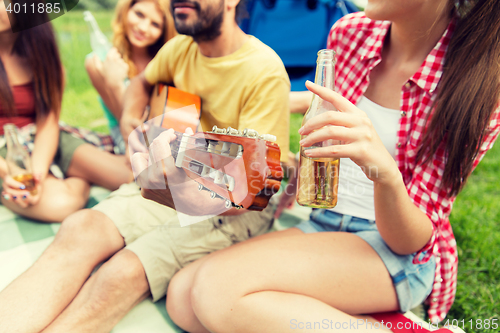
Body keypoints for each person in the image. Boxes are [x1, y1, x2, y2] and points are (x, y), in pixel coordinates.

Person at [164, 0, 500, 332]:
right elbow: (321, 106)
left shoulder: (477, 82)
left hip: (397, 251)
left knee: (218, 290)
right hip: (325, 222)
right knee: (182, 296)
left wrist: (385, 174)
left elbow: (410, 241)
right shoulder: (351, 33)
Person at [0, 0, 290, 330]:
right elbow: (139, 84)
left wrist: (176, 191)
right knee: (80, 228)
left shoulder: (264, 71)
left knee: (123, 271)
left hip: (234, 206)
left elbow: (246, 195)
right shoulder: (180, 48)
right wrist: (129, 122)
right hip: (179, 179)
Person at [0, 0, 133, 223]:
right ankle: (78, 179)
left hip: (44, 136)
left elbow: (48, 121)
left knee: (131, 176)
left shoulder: (42, 56)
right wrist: (8, 173)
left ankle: (70, 174)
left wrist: (38, 174)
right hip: (5, 148)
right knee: (61, 204)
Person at [85, 0, 176, 155]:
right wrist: (115, 85)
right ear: (126, 10)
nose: (143, 28)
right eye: (139, 14)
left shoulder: (163, 61)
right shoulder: (98, 61)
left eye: (155, 24)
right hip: (128, 142)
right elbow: (127, 125)